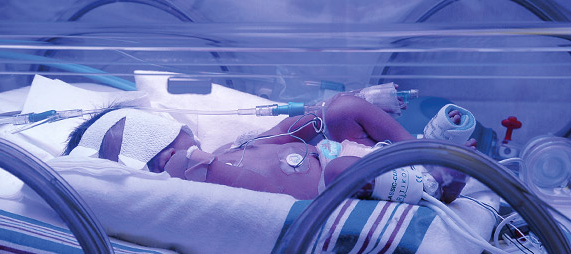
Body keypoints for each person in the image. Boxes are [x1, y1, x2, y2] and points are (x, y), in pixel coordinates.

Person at [64, 91, 475, 203]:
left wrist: (316, 113)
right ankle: (433, 179)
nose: (163, 158)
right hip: (336, 182)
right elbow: (179, 175)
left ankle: (424, 151)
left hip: (345, 157)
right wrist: (180, 164)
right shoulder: (186, 177)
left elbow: (280, 135)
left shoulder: (224, 148)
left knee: (343, 109)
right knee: (337, 169)